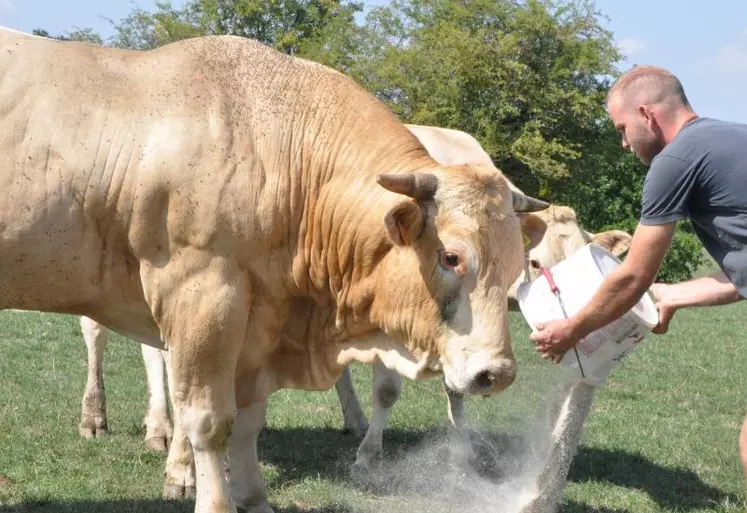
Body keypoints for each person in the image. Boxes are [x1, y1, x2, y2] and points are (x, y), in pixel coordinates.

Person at [528, 64, 747, 488]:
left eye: (622, 128)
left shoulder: (676, 161)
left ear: (647, 115)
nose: (624, 142)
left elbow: (632, 277)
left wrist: (572, 329)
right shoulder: (730, 139)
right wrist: (673, 296)